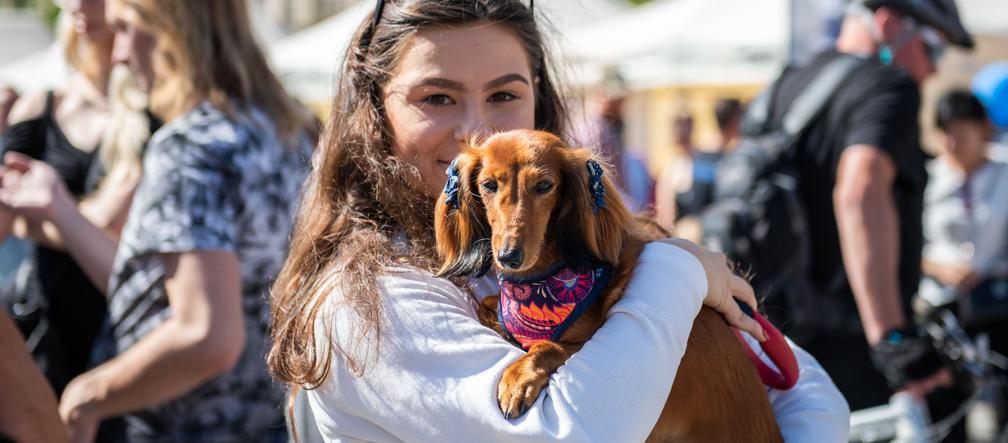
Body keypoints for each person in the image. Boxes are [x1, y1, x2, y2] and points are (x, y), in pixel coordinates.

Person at [267, 1, 848, 442]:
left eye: (504, 95)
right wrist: (678, 267)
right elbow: (572, 431)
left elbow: (805, 391)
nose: (481, 133)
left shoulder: (573, 250)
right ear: (375, 109)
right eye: (437, 98)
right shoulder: (367, 301)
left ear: (538, 98)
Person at [0, 0, 315, 441]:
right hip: (267, 422)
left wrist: (88, 394)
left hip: (172, 425)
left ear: (174, 31)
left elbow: (206, 335)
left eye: (127, 28)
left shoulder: (190, 146)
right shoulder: (292, 131)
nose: (119, 54)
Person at [761, 0, 974, 412]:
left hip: (778, 344)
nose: (933, 69)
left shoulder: (786, 85)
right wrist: (892, 338)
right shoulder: (888, 85)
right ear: (889, 23)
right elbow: (860, 190)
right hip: (853, 350)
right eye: (932, 48)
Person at [0, 0, 122, 397]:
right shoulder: (41, 106)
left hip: (123, 331)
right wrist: (86, 225)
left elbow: (123, 223)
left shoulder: (155, 118)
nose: (77, 4)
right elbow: (7, 214)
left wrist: (44, 214)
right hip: (45, 324)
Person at [918, 90, 1008, 441]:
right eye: (946, 132)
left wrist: (990, 267)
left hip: (996, 305)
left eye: (962, 131)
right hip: (943, 309)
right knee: (945, 409)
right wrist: (939, 268)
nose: (954, 142)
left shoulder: (1003, 173)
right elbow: (909, 245)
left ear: (982, 128)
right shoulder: (927, 178)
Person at [655, 99, 741, 241]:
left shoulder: (705, 157)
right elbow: (666, 217)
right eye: (679, 124)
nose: (683, 130)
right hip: (687, 238)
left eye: (686, 123)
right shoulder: (671, 168)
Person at [576, 74, 653, 213]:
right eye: (615, 99)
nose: (619, 104)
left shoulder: (607, 126)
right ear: (601, 96)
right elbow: (603, 182)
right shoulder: (596, 130)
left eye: (621, 99)